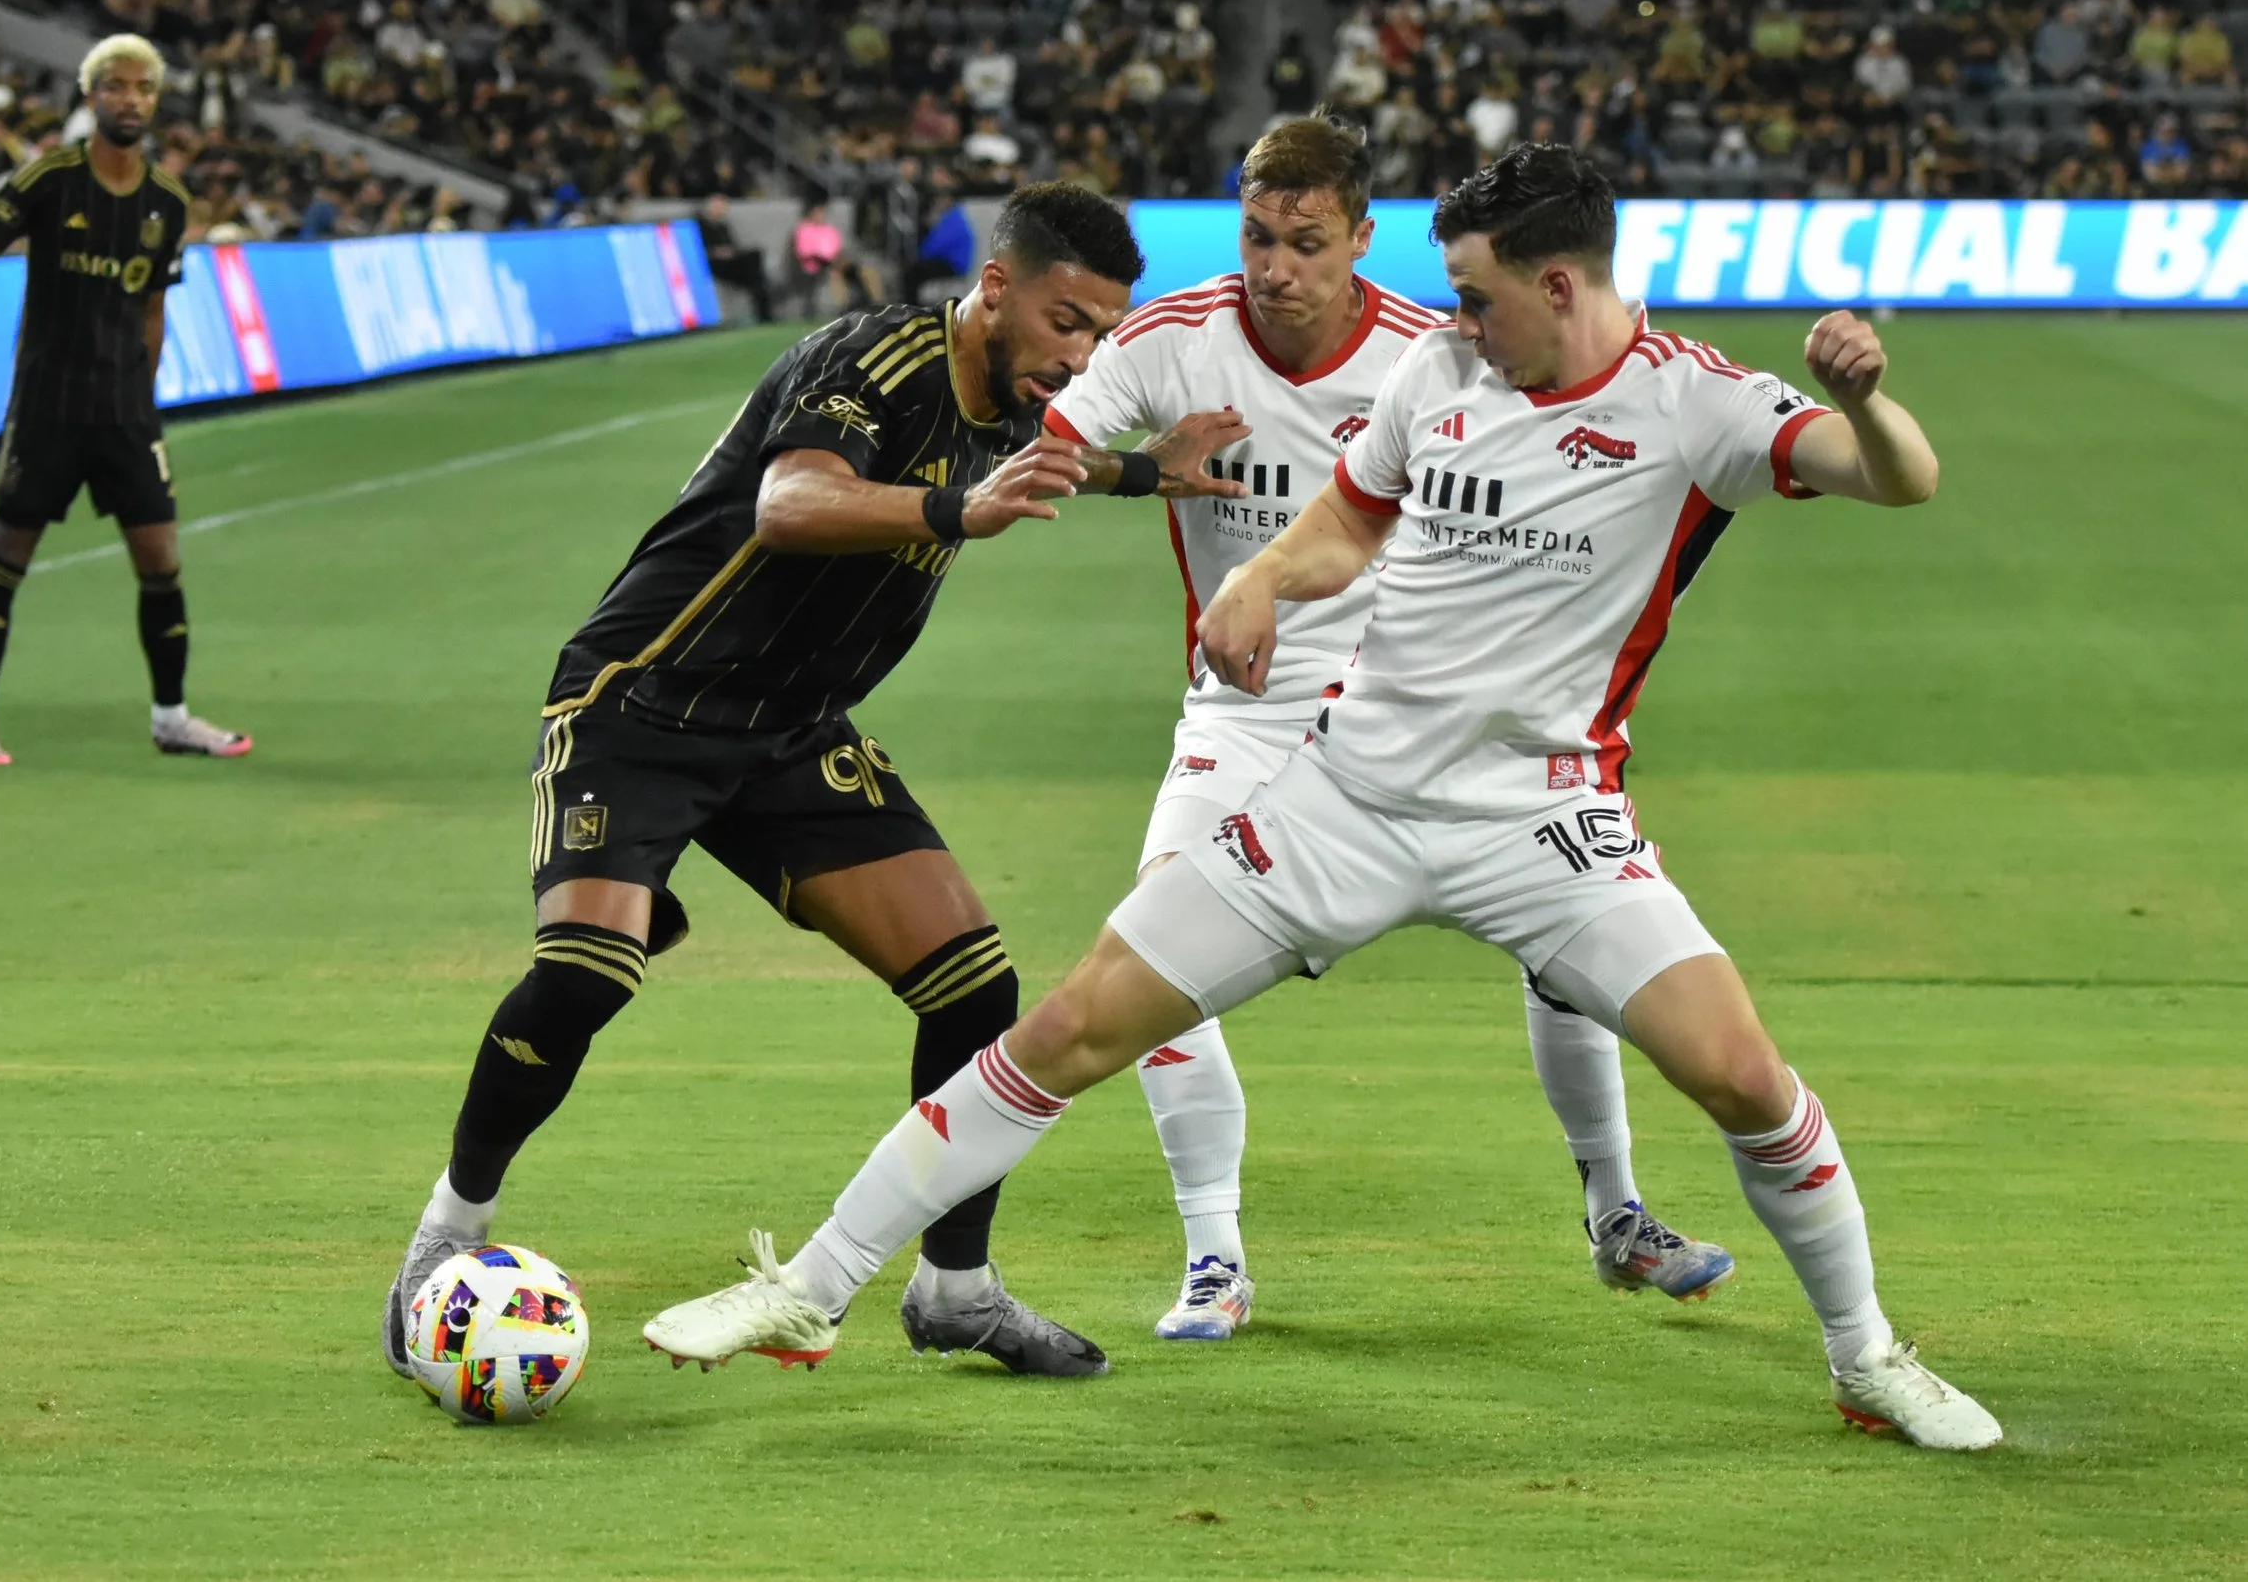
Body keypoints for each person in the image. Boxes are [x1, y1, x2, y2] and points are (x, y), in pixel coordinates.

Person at [643, 143, 2003, 1453]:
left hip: (1544, 823)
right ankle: (812, 1286)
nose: (1454, 320)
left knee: (1745, 1077)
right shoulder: (1441, 370)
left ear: (1559, 285)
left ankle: (1867, 1356)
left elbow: (1903, 478)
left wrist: (1866, 400)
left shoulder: (1694, 402)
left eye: (1475, 294)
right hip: (1344, 798)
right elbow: (1350, 518)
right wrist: (1259, 577)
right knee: (1071, 1027)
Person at [379, 184, 1245, 1384]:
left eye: (1100, 331)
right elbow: (789, 504)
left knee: (974, 987)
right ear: (995, 288)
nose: (1081, 354)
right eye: (1066, 321)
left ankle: (955, 1289)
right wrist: (956, 509)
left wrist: (1144, 472)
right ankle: (446, 1234)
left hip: (787, 735)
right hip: (643, 703)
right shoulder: (872, 360)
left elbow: (1041, 460)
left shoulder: (1011, 394)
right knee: (586, 972)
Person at [1040, 114, 1732, 1344]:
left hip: (1415, 714)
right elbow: (1033, 455)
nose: (1275, 268)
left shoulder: (1441, 355)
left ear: (1361, 237)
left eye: (1305, 243)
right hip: (1242, 713)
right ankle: (1212, 1258)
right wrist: (1139, 469)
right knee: (1154, 946)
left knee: (1567, 950)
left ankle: (1616, 1212)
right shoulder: (1171, 343)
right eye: (1257, 238)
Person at [0, 34, 250, 767]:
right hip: (49, 405)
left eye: (143, 88)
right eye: (116, 86)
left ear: (155, 101)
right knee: (7, 555)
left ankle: (172, 718)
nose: (130, 99)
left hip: (124, 412)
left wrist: (145, 393)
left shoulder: (168, 201)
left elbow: (153, 308)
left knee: (161, 560)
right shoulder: (49, 179)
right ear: (90, 95)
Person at [698, 194, 773, 323]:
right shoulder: (701, 227)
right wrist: (718, 252)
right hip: (714, 265)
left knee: (755, 255)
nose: (720, 210)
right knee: (755, 275)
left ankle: (763, 304)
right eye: (717, 206)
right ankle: (762, 300)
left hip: (731, 263)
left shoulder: (723, 227)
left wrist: (730, 252)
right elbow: (699, 250)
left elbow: (732, 246)